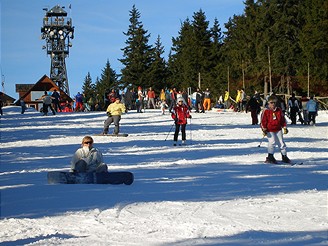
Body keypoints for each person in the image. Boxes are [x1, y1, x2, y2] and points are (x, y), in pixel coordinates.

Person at [260, 95, 290, 164]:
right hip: (269, 129)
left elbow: (282, 119)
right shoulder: (266, 111)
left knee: (281, 143)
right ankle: (270, 156)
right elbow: (263, 121)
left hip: (278, 128)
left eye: (274, 103)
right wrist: (264, 129)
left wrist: (284, 127)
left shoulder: (278, 110)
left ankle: (284, 156)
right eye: (271, 103)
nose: (273, 104)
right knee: (272, 142)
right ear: (268, 103)